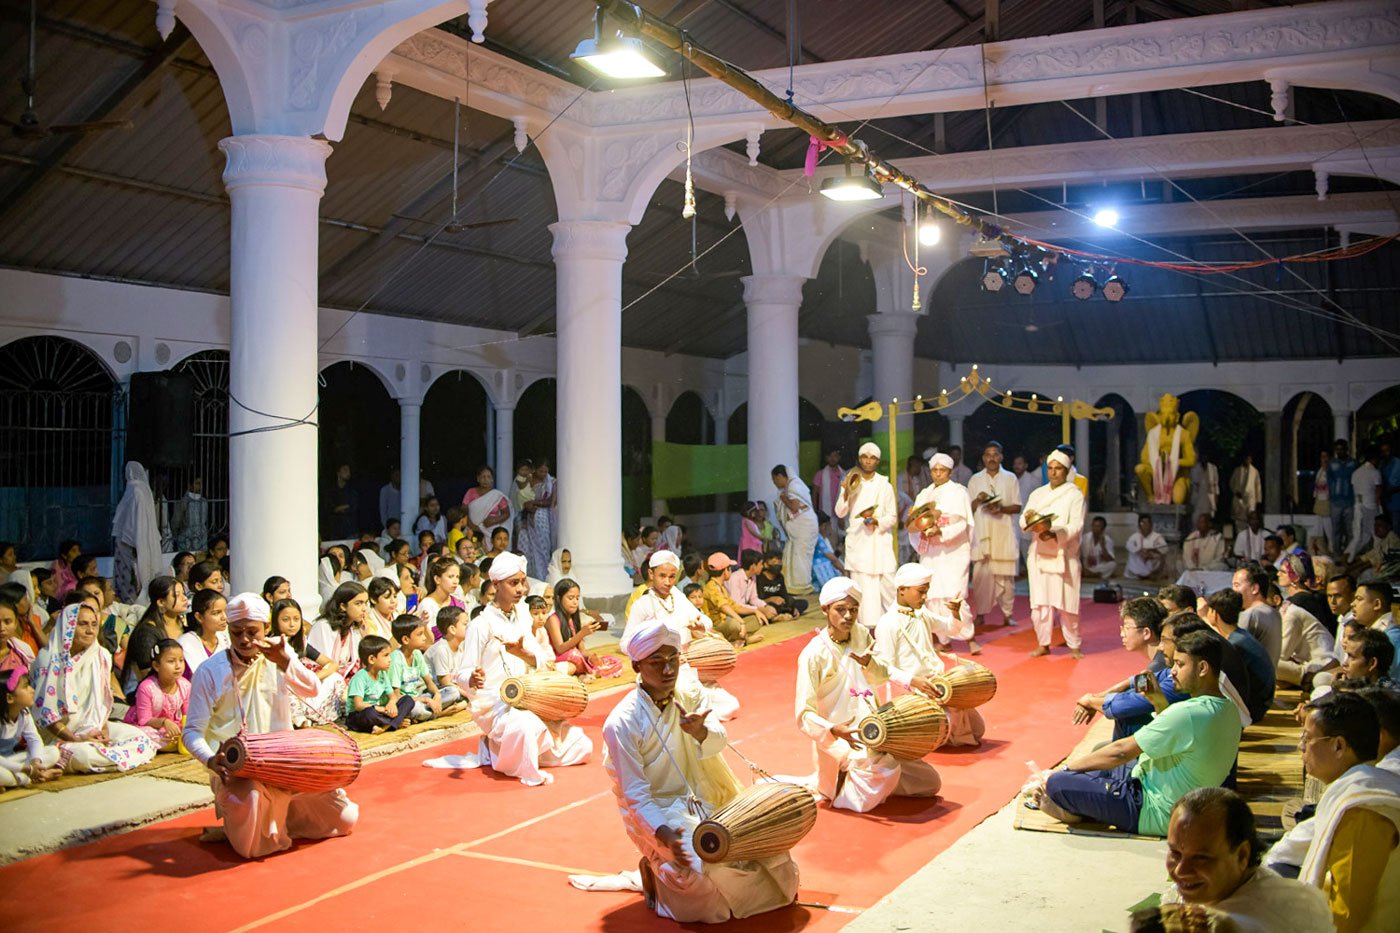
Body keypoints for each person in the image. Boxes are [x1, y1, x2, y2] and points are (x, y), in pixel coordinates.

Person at [601, 618, 799, 923]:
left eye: (673, 661)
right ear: (637, 666)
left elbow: (719, 741)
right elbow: (635, 795)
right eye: (657, 662)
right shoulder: (622, 723)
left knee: (768, 856)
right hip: (660, 815)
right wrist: (663, 834)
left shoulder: (689, 692)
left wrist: (701, 732)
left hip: (709, 793)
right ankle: (656, 873)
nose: (668, 671)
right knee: (707, 893)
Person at [184, 594, 358, 857]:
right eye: (236, 632)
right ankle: (245, 825)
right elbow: (192, 731)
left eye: (252, 632)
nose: (243, 639)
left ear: (266, 627)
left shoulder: (280, 655)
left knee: (345, 819)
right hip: (241, 772)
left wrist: (286, 661)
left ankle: (275, 820)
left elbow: (312, 689)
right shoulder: (210, 671)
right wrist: (210, 761)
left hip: (286, 765)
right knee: (253, 843)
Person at [1035, 630, 1241, 835]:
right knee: (1098, 757)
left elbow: (1121, 751)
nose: (1172, 672)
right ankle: (1082, 803)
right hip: (1179, 803)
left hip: (1150, 808)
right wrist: (1157, 700)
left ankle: (1077, 808)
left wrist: (1062, 770)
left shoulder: (1190, 712)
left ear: (1203, 668)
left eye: (1180, 664)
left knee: (1058, 783)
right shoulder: (1229, 708)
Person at [795, 577, 942, 812]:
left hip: (878, 732)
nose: (848, 616)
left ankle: (877, 778)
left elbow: (880, 677)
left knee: (929, 783)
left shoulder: (861, 633)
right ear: (825, 610)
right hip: (842, 743)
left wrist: (869, 664)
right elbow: (803, 714)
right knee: (862, 801)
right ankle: (841, 783)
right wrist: (833, 730)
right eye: (840, 609)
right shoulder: (813, 654)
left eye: (853, 610)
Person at [454, 552, 592, 786]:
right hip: (495, 703)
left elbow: (540, 659)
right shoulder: (481, 624)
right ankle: (503, 751)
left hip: (528, 696)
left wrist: (524, 654)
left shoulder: (522, 617)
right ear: (496, 584)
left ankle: (501, 750)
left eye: (522, 582)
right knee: (528, 726)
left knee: (582, 747)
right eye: (514, 583)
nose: (521, 589)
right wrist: (472, 678)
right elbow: (461, 673)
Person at [1287, 692, 1400, 931]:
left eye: (1307, 738)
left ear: (1339, 745)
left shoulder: (1362, 809)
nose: (1301, 746)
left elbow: (1345, 916)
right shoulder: (1364, 785)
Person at [1156, 787, 1332, 932]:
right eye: (1175, 853)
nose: (1181, 871)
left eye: (1201, 858)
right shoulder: (1216, 892)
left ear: (1242, 855)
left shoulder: (1261, 921)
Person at [34, 603, 159, 773]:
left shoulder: (100, 656)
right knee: (83, 755)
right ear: (68, 625)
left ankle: (100, 758)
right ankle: (80, 756)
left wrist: (103, 731)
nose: (90, 630)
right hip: (59, 736)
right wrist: (77, 738)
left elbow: (102, 703)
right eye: (82, 624)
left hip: (93, 728)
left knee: (142, 739)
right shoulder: (48, 659)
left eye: (94, 624)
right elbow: (46, 715)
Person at [874, 563, 985, 746]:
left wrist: (955, 612)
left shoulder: (921, 613)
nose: (925, 597)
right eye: (921, 591)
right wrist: (913, 681)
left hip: (936, 684)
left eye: (926, 591)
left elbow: (951, 629)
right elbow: (884, 668)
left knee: (977, 728)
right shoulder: (888, 624)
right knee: (946, 729)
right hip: (910, 690)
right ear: (902, 590)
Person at [627, 550, 740, 722]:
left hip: (689, 667)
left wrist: (701, 624)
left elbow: (705, 620)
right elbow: (626, 643)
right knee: (688, 701)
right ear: (651, 574)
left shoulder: (678, 597)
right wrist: (655, 654)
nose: (667, 582)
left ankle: (685, 718)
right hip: (664, 672)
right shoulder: (642, 605)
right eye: (662, 576)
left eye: (672, 577)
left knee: (731, 705)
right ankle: (681, 718)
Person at [1073, 597, 1185, 739]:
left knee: (1128, 716)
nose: (1122, 634)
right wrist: (1097, 697)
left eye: (1126, 628)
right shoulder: (1158, 665)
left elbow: (1127, 703)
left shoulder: (1162, 665)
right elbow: (1135, 683)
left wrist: (1091, 700)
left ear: (1146, 632)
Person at [911, 451, 980, 654]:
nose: (938, 474)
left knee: (954, 595)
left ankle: (969, 637)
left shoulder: (959, 492)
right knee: (932, 598)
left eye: (942, 470)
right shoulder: (924, 494)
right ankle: (944, 639)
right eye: (934, 470)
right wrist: (924, 533)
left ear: (949, 471)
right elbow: (914, 525)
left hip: (953, 552)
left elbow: (963, 525)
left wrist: (941, 531)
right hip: (931, 553)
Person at [1022, 449, 1086, 658]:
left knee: (1067, 603)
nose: (1053, 472)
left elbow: (1076, 525)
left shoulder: (1074, 494)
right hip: (1039, 554)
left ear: (1066, 471)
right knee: (1040, 604)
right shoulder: (1037, 494)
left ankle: (1074, 644)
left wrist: (1055, 534)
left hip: (1064, 553)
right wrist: (1030, 521)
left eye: (1058, 468)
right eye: (1050, 468)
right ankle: (1043, 643)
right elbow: (1024, 520)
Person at [835, 442, 897, 630]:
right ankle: (868, 631)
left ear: (877, 461)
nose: (868, 461)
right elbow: (840, 512)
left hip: (879, 542)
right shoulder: (852, 480)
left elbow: (892, 516)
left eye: (872, 458)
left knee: (889, 587)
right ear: (859, 459)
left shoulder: (884, 485)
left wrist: (877, 522)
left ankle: (895, 628)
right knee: (863, 588)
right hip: (860, 543)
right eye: (865, 457)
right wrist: (846, 491)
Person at [967, 441, 1022, 628]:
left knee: (1006, 579)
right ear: (983, 458)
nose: (991, 458)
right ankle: (981, 614)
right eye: (988, 455)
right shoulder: (975, 479)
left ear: (1001, 457)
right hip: (982, 533)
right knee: (981, 578)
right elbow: (969, 508)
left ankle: (1008, 614)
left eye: (995, 454)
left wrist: (1001, 508)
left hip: (1002, 531)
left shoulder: (1010, 478)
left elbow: (1017, 506)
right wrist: (979, 499)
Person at [1200, 589, 1275, 724]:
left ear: (1214, 614)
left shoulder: (1236, 643)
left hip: (1253, 709)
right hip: (1261, 703)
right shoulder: (1240, 636)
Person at [120, 576, 188, 702]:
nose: (184, 598)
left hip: (180, 688)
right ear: (161, 602)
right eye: (177, 595)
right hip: (148, 694)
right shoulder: (146, 633)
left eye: (183, 593)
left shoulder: (185, 624)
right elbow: (147, 675)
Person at [1278, 555, 1339, 688]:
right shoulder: (1296, 601)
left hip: (1321, 663)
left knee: (1268, 662)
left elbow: (1282, 653)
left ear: (1295, 576)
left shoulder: (1298, 604)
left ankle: (1303, 679)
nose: (1278, 574)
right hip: (1304, 659)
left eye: (1283, 572)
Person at [547, 577, 624, 680]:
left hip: (574, 656)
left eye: (577, 598)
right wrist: (582, 633)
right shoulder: (553, 619)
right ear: (558, 598)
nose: (575, 602)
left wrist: (591, 657)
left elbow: (582, 650)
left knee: (612, 660)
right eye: (570, 598)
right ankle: (591, 672)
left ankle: (592, 670)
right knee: (575, 655)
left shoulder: (572, 618)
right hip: (557, 657)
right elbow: (560, 649)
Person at [1, 670, 64, 789]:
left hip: (12, 762)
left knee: (53, 752)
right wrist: (28, 769)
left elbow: (34, 740)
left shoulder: (24, 713)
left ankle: (19, 778)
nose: (32, 690)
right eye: (25, 687)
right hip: (3, 765)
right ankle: (30, 778)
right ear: (9, 698)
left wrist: (36, 763)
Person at [123, 638, 189, 751]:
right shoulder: (147, 687)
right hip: (149, 728)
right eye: (171, 661)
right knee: (144, 734)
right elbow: (144, 720)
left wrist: (181, 729)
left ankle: (170, 743)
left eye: (181, 660)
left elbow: (187, 715)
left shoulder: (185, 686)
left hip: (171, 728)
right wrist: (164, 722)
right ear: (156, 666)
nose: (178, 666)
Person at [111, 461, 163, 604]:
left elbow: (132, 524)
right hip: (138, 544)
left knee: (129, 578)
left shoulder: (135, 491)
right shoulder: (143, 491)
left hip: (129, 545)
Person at [390, 614, 458, 721]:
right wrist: (426, 700)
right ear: (405, 639)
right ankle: (438, 714)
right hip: (408, 702)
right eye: (420, 634)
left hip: (421, 696)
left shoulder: (417, 653)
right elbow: (396, 697)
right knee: (416, 709)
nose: (424, 638)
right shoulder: (396, 659)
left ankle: (426, 714)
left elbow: (429, 682)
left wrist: (436, 695)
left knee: (453, 692)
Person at [770, 464, 818, 595]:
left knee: (800, 556)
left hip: (804, 527)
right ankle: (793, 586)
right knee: (796, 555)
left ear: (780, 476)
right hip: (800, 529)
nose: (774, 483)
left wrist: (783, 498)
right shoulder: (791, 486)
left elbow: (794, 507)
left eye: (774, 479)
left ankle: (801, 586)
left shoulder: (794, 486)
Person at [308, 581, 368, 683]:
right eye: (358, 603)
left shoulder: (354, 629)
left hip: (345, 681)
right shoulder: (324, 626)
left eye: (366, 603)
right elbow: (323, 665)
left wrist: (365, 637)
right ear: (343, 606)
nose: (364, 608)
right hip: (324, 680)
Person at [700, 553, 763, 647]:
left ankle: (738, 638)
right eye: (730, 568)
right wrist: (741, 622)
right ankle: (745, 640)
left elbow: (735, 606)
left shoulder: (721, 587)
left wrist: (755, 611)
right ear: (725, 571)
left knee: (756, 619)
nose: (731, 571)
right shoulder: (711, 586)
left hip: (726, 624)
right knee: (735, 624)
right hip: (716, 627)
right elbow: (723, 606)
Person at [1232, 564, 1282, 667]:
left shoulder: (1251, 614)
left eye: (1237, 585)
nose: (1233, 591)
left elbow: (1233, 652)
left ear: (1254, 588)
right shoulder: (1275, 614)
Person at [179, 588, 230, 680]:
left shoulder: (226, 640)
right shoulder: (185, 644)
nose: (224, 617)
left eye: (225, 611)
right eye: (216, 613)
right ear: (199, 617)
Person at [516, 460, 556, 576]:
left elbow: (551, 501)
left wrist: (533, 503)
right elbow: (518, 496)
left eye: (545, 471)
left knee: (542, 549)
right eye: (540, 471)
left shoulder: (551, 482)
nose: (543, 473)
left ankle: (542, 575)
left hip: (541, 518)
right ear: (534, 470)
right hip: (525, 517)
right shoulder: (525, 479)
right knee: (526, 548)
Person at [725, 550, 781, 624]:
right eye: (760, 564)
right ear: (753, 566)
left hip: (744, 610)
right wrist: (759, 609)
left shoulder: (753, 577)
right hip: (732, 614)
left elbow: (753, 599)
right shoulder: (735, 578)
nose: (762, 566)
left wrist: (766, 606)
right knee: (758, 620)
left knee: (763, 615)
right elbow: (736, 605)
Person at [1328, 439, 1359, 558]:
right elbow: (1330, 482)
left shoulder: (1353, 463)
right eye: (1337, 450)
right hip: (1335, 502)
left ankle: (1348, 554)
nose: (1339, 452)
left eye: (1341, 449)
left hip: (1350, 501)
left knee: (1350, 530)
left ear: (1346, 449)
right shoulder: (1332, 464)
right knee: (1336, 530)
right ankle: (1337, 555)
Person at [812, 448, 846, 552]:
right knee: (828, 543)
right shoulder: (820, 474)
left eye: (835, 456)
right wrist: (814, 513)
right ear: (826, 458)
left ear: (839, 457)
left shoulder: (844, 474)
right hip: (825, 516)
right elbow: (815, 494)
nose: (832, 459)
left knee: (841, 543)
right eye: (830, 456)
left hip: (840, 516)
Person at [755, 551, 807, 619]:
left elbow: (784, 595)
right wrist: (770, 599)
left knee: (802, 603)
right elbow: (757, 599)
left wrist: (792, 606)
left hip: (781, 603)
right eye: (774, 562)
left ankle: (786, 612)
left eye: (779, 562)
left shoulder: (780, 577)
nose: (778, 564)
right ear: (765, 564)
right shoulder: (759, 578)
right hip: (766, 604)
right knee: (770, 608)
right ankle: (784, 613)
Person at [1349, 514, 1398, 580]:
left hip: (1391, 576)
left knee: (1365, 574)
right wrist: (1351, 566)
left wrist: (1359, 569)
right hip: (1382, 572)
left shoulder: (1393, 539)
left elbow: (1379, 558)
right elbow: (1369, 555)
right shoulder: (1383, 540)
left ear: (1389, 526)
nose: (1376, 528)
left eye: (1379, 525)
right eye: (1375, 525)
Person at [1125, 514, 1169, 580]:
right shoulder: (1135, 536)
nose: (1146, 525)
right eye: (1143, 523)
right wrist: (1141, 551)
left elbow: (1164, 548)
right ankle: (1139, 574)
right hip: (1139, 559)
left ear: (1151, 525)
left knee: (1159, 558)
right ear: (1139, 525)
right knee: (1133, 556)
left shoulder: (1157, 536)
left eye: (1148, 523)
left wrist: (1151, 551)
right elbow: (1129, 546)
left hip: (1152, 559)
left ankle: (1151, 574)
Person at [811, 512, 844, 590]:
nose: (830, 529)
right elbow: (832, 558)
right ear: (824, 526)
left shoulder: (822, 538)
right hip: (818, 570)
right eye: (829, 526)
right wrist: (843, 570)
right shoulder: (818, 537)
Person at [1230, 455, 1262, 531]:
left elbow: (1258, 486)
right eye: (1246, 459)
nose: (1247, 460)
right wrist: (1236, 491)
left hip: (1250, 499)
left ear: (1251, 460)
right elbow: (1231, 483)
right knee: (1239, 520)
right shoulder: (1237, 470)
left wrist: (1258, 501)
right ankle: (1240, 535)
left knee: (1251, 518)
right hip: (1239, 499)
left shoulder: (1254, 471)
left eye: (1249, 459)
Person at [1081, 515, 1118, 580]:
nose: (1095, 528)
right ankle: (1093, 574)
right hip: (1085, 566)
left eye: (1098, 526)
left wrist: (1103, 546)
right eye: (1093, 526)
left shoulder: (1107, 540)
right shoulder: (1085, 537)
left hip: (1098, 566)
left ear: (1103, 528)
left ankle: (1092, 574)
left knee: (1112, 565)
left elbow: (1110, 559)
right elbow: (1079, 555)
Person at [1190, 453, 1220, 523]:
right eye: (1203, 457)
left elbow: (1216, 487)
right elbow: (1192, 485)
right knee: (1196, 520)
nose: (1204, 459)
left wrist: (1215, 501)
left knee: (1207, 520)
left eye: (1205, 457)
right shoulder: (1195, 469)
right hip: (1197, 500)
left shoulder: (1213, 468)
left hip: (1209, 500)